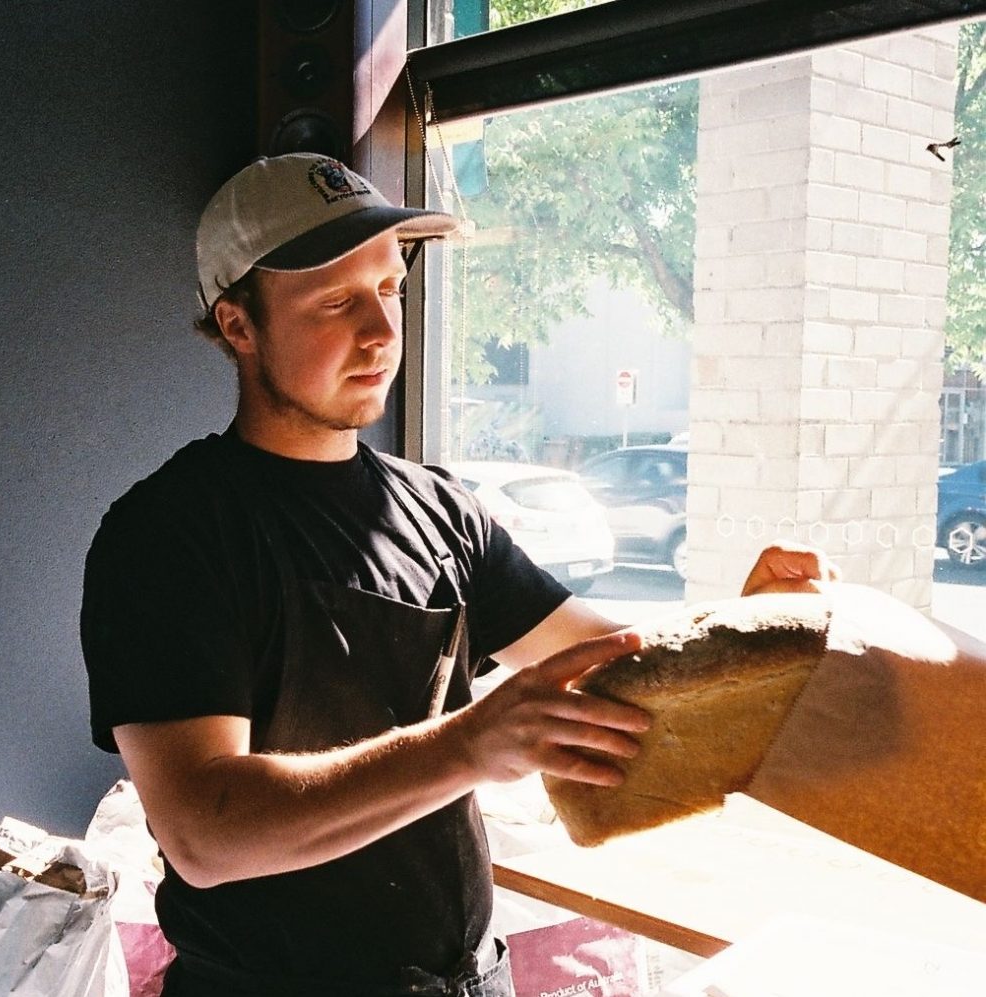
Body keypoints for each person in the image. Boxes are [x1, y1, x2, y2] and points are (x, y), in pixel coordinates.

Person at [79, 153, 837, 997]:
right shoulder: (170, 535)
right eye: (337, 303)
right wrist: (470, 745)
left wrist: (742, 628)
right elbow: (204, 833)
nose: (380, 331)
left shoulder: (440, 510)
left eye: (389, 289)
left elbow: (611, 665)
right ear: (239, 325)